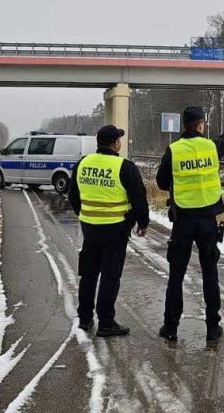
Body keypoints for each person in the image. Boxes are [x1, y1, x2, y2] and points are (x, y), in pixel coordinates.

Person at [157, 107, 224, 342]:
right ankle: (213, 327)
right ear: (201, 124)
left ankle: (171, 327)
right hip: (207, 221)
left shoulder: (174, 150)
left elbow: (162, 182)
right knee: (210, 273)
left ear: (184, 125)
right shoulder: (211, 147)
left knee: (176, 274)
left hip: (183, 220)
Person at [67, 124, 149, 337]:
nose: (120, 142)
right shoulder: (125, 166)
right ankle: (106, 322)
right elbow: (139, 198)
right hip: (115, 230)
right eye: (119, 139)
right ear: (115, 143)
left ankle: (84, 319)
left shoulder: (82, 164)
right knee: (110, 277)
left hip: (90, 229)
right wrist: (142, 222)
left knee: (88, 275)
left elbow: (73, 195)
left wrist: (84, 214)